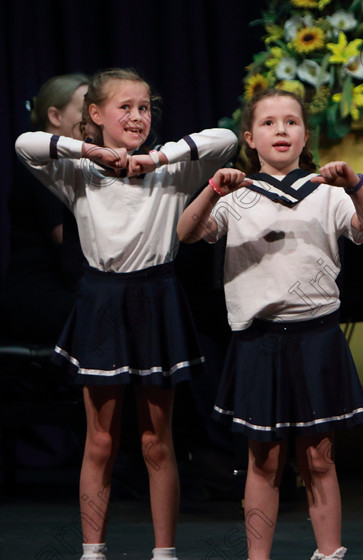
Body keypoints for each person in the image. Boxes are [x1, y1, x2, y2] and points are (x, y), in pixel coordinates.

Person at [15, 68, 238, 560]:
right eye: (125, 107)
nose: (137, 116)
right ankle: (93, 550)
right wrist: (91, 151)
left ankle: (164, 551)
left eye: (144, 108)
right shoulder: (77, 173)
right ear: (94, 115)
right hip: (102, 301)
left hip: (156, 297)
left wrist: (155, 157)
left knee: (157, 440)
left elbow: (224, 139)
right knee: (101, 439)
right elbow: (26, 144)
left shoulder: (172, 171)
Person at [177, 88, 363, 560]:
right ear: (250, 137)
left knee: (318, 455)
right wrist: (212, 189)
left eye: (291, 122)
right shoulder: (236, 195)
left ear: (305, 134)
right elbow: (186, 233)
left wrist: (356, 184)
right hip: (260, 341)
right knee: (264, 458)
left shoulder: (327, 192)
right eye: (269, 123)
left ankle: (330, 552)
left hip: (316, 337)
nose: (281, 130)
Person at [1, 73, 89, 344]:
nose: (93, 118)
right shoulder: (42, 163)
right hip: (39, 292)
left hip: (64, 284)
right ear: (55, 116)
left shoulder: (72, 163)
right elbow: (66, 239)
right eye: (85, 109)